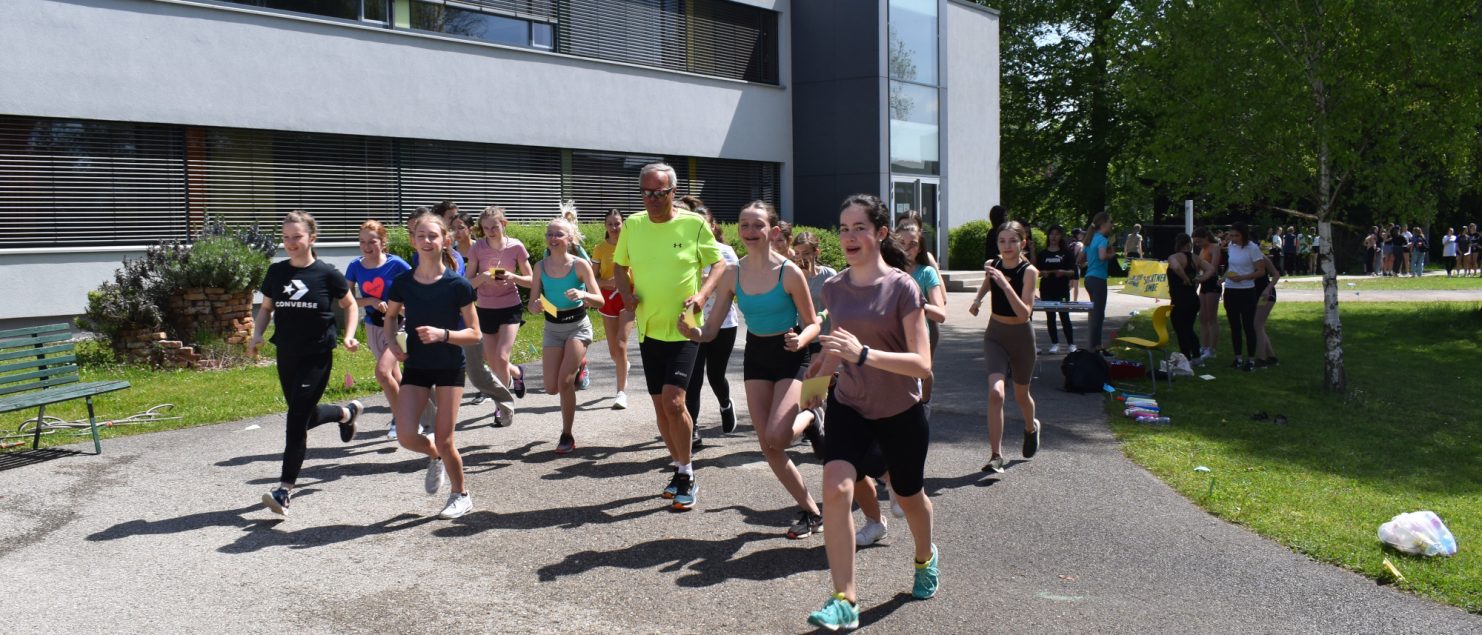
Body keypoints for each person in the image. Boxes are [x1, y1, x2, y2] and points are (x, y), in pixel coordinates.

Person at [803, 194, 936, 631]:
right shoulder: (835, 288)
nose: (849, 236)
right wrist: (817, 381)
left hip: (900, 409)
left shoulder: (903, 287)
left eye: (859, 227)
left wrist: (864, 354)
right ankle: (845, 599)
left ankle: (925, 557)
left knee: (910, 497)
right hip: (851, 404)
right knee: (836, 489)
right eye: (843, 228)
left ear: (880, 233)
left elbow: (922, 364)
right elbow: (836, 347)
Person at [679, 201, 826, 538]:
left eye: (757, 225)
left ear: (772, 231)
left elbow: (813, 323)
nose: (749, 232)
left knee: (779, 436)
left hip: (791, 352)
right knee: (769, 446)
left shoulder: (789, 272)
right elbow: (711, 330)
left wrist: (801, 340)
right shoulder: (733, 273)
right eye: (744, 225)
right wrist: (693, 332)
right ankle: (811, 511)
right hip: (757, 355)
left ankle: (811, 417)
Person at [613, 162, 725, 511]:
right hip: (649, 327)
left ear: (673, 192)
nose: (652, 199)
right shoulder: (633, 225)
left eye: (659, 193)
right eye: (646, 192)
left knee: (675, 402)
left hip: (684, 327)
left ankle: (688, 473)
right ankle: (678, 466)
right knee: (661, 407)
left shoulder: (693, 224)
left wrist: (703, 295)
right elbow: (619, 265)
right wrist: (626, 293)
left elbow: (719, 264)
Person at [249, 211, 364, 516]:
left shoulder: (327, 274)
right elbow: (267, 308)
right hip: (287, 352)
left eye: (297, 237)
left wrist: (349, 335)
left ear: (312, 238)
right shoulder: (277, 272)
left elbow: (350, 305)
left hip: (317, 353)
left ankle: (284, 491)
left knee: (296, 420)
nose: (290, 243)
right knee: (303, 414)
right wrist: (257, 334)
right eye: (286, 237)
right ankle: (345, 413)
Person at [383, 213, 481, 519]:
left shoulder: (457, 285)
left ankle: (460, 495)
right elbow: (390, 316)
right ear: (413, 241)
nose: (427, 241)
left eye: (433, 236)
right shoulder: (403, 283)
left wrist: (444, 335)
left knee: (445, 438)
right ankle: (434, 455)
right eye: (421, 236)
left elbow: (475, 334)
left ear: (446, 241)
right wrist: (392, 344)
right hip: (417, 366)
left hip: (449, 366)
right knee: (405, 435)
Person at [527, 211, 603, 454]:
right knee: (551, 387)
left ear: (569, 238)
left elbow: (599, 300)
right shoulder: (540, 267)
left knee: (565, 381)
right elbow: (531, 304)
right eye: (549, 234)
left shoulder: (579, 265)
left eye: (558, 234)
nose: (552, 238)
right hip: (553, 328)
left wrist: (583, 294)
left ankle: (566, 435)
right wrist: (535, 306)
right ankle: (579, 365)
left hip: (578, 327)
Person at [969, 221, 1041, 474]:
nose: (1007, 246)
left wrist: (1005, 284)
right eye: (1002, 241)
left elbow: (1024, 314)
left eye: (1012, 241)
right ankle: (996, 455)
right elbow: (988, 282)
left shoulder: (1029, 272)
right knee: (996, 393)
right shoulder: (994, 265)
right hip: (995, 335)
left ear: (1023, 243)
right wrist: (978, 300)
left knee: (1021, 395)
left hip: (1021, 338)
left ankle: (1031, 428)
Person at [344, 220, 412, 439]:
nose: (366, 246)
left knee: (383, 372)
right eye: (362, 242)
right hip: (374, 326)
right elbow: (346, 301)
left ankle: (400, 418)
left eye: (372, 241)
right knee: (394, 375)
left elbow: (418, 287)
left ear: (383, 242)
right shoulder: (355, 266)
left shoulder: (397, 264)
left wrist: (403, 307)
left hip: (401, 326)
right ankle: (415, 413)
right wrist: (371, 301)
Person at [683, 200, 740, 447]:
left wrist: (709, 280)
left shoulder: (725, 252)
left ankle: (725, 404)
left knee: (715, 375)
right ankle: (693, 428)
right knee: (693, 378)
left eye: (705, 225)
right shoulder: (683, 250)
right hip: (693, 322)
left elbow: (734, 287)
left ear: (713, 226)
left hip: (723, 324)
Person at [468, 206, 533, 409]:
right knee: (492, 359)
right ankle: (517, 373)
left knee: (502, 356)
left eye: (494, 227)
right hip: (485, 308)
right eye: (486, 228)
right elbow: (467, 283)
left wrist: (513, 277)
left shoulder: (516, 246)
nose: (490, 232)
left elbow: (532, 280)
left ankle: (502, 406)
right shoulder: (477, 248)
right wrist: (483, 277)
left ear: (504, 224)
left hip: (510, 306)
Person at [896, 221, 946, 409]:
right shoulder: (886, 269)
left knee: (918, 380)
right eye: (902, 243)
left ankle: (924, 403)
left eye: (913, 244)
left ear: (920, 247)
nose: (907, 248)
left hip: (916, 338)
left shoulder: (927, 272)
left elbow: (940, 314)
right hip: (889, 338)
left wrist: (916, 303)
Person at [592, 208, 635, 409]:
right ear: (605, 226)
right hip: (607, 299)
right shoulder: (599, 249)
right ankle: (623, 365)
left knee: (621, 343)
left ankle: (621, 393)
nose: (614, 227)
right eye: (610, 224)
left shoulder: (632, 245)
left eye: (617, 223)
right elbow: (592, 278)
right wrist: (606, 283)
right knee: (613, 352)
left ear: (623, 224)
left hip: (627, 297)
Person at [1221, 222, 1267, 372]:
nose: (1233, 238)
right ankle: (1238, 358)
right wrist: (1223, 278)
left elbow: (1261, 271)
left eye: (1237, 236)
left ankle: (1251, 360)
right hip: (1230, 290)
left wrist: (1243, 277)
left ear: (1244, 235)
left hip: (1246, 290)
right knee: (1234, 325)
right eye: (1231, 235)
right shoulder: (1231, 246)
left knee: (1248, 326)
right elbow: (1232, 266)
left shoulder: (1252, 248)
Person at [1167, 233, 1215, 363]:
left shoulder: (1174, 257)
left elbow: (1176, 267)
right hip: (1193, 299)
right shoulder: (1196, 258)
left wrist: (1185, 278)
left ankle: (1186, 357)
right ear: (1189, 244)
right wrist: (1201, 279)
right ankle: (1196, 356)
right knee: (1188, 328)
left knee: (1181, 329)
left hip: (1180, 299)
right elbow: (1211, 269)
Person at [1036, 225, 1077, 354]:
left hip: (1062, 289)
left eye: (1057, 234)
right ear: (1048, 236)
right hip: (1046, 289)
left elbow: (1073, 272)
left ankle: (1071, 344)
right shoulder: (1042, 254)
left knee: (1064, 316)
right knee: (1050, 316)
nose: (1054, 236)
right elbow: (1036, 271)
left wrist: (1063, 272)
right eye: (1051, 234)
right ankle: (1055, 343)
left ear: (1061, 236)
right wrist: (1042, 273)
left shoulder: (1066, 253)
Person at [1083, 213, 1113, 354]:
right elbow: (1102, 256)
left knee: (1096, 314)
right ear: (1104, 223)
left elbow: (1080, 259)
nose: (1112, 224)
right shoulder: (1102, 239)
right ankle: (1094, 348)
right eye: (1110, 222)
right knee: (1098, 314)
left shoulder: (1090, 239)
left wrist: (1090, 262)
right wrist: (1111, 255)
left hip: (1089, 278)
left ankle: (1097, 345)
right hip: (1098, 279)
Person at [1192, 227, 1223, 361]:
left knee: (1211, 318)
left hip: (1212, 283)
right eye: (1195, 242)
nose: (1197, 244)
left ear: (1206, 237)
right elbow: (1199, 267)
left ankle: (1212, 350)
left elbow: (1213, 268)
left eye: (1199, 241)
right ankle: (1204, 347)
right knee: (1203, 317)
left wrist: (1202, 278)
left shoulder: (1214, 248)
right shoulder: (1202, 249)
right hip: (1204, 283)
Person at [1252, 241, 1282, 369]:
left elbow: (1276, 275)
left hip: (1266, 295)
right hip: (1255, 294)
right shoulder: (1245, 259)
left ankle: (1261, 359)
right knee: (1259, 326)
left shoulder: (1262, 258)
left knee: (1257, 325)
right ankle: (1272, 357)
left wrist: (1267, 289)